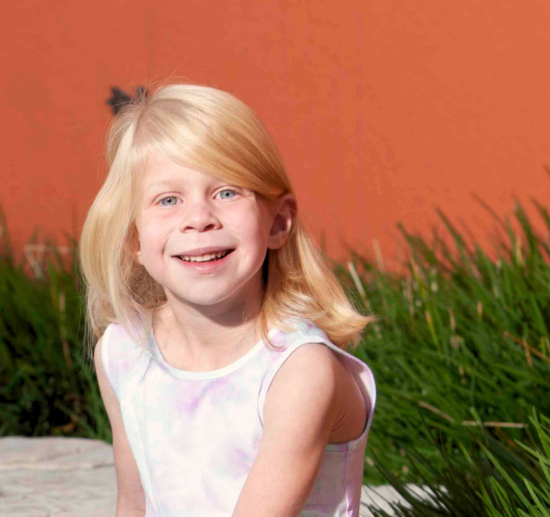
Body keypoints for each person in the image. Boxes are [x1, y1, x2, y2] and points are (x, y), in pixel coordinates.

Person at [78, 81, 378, 516]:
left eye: (227, 192)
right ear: (133, 241)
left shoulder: (298, 370)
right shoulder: (123, 352)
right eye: (167, 199)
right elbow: (135, 502)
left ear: (277, 222)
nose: (198, 218)